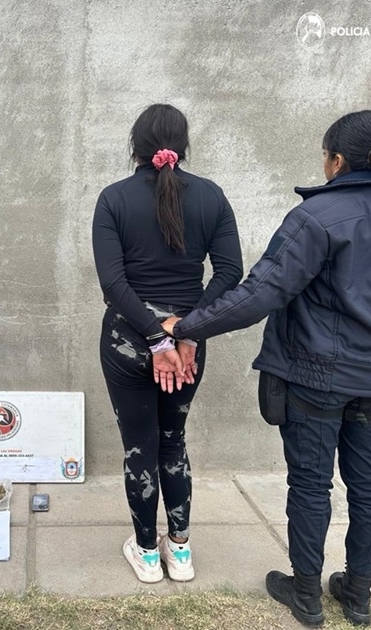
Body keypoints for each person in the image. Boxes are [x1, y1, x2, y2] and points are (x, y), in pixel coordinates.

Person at [162, 110, 371, 626]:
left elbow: (259, 293)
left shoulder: (316, 218)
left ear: (337, 161)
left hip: (316, 379)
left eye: (324, 156)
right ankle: (357, 597)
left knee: (310, 485)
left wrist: (185, 327)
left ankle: (306, 595)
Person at [92, 104, 244, 583]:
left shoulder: (113, 199)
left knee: (140, 448)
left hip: (128, 340)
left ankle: (146, 554)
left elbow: (113, 284)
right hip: (188, 345)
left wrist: (156, 338)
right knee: (173, 441)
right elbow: (230, 272)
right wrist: (188, 331)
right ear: (184, 145)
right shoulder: (211, 196)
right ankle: (179, 552)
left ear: (135, 146)